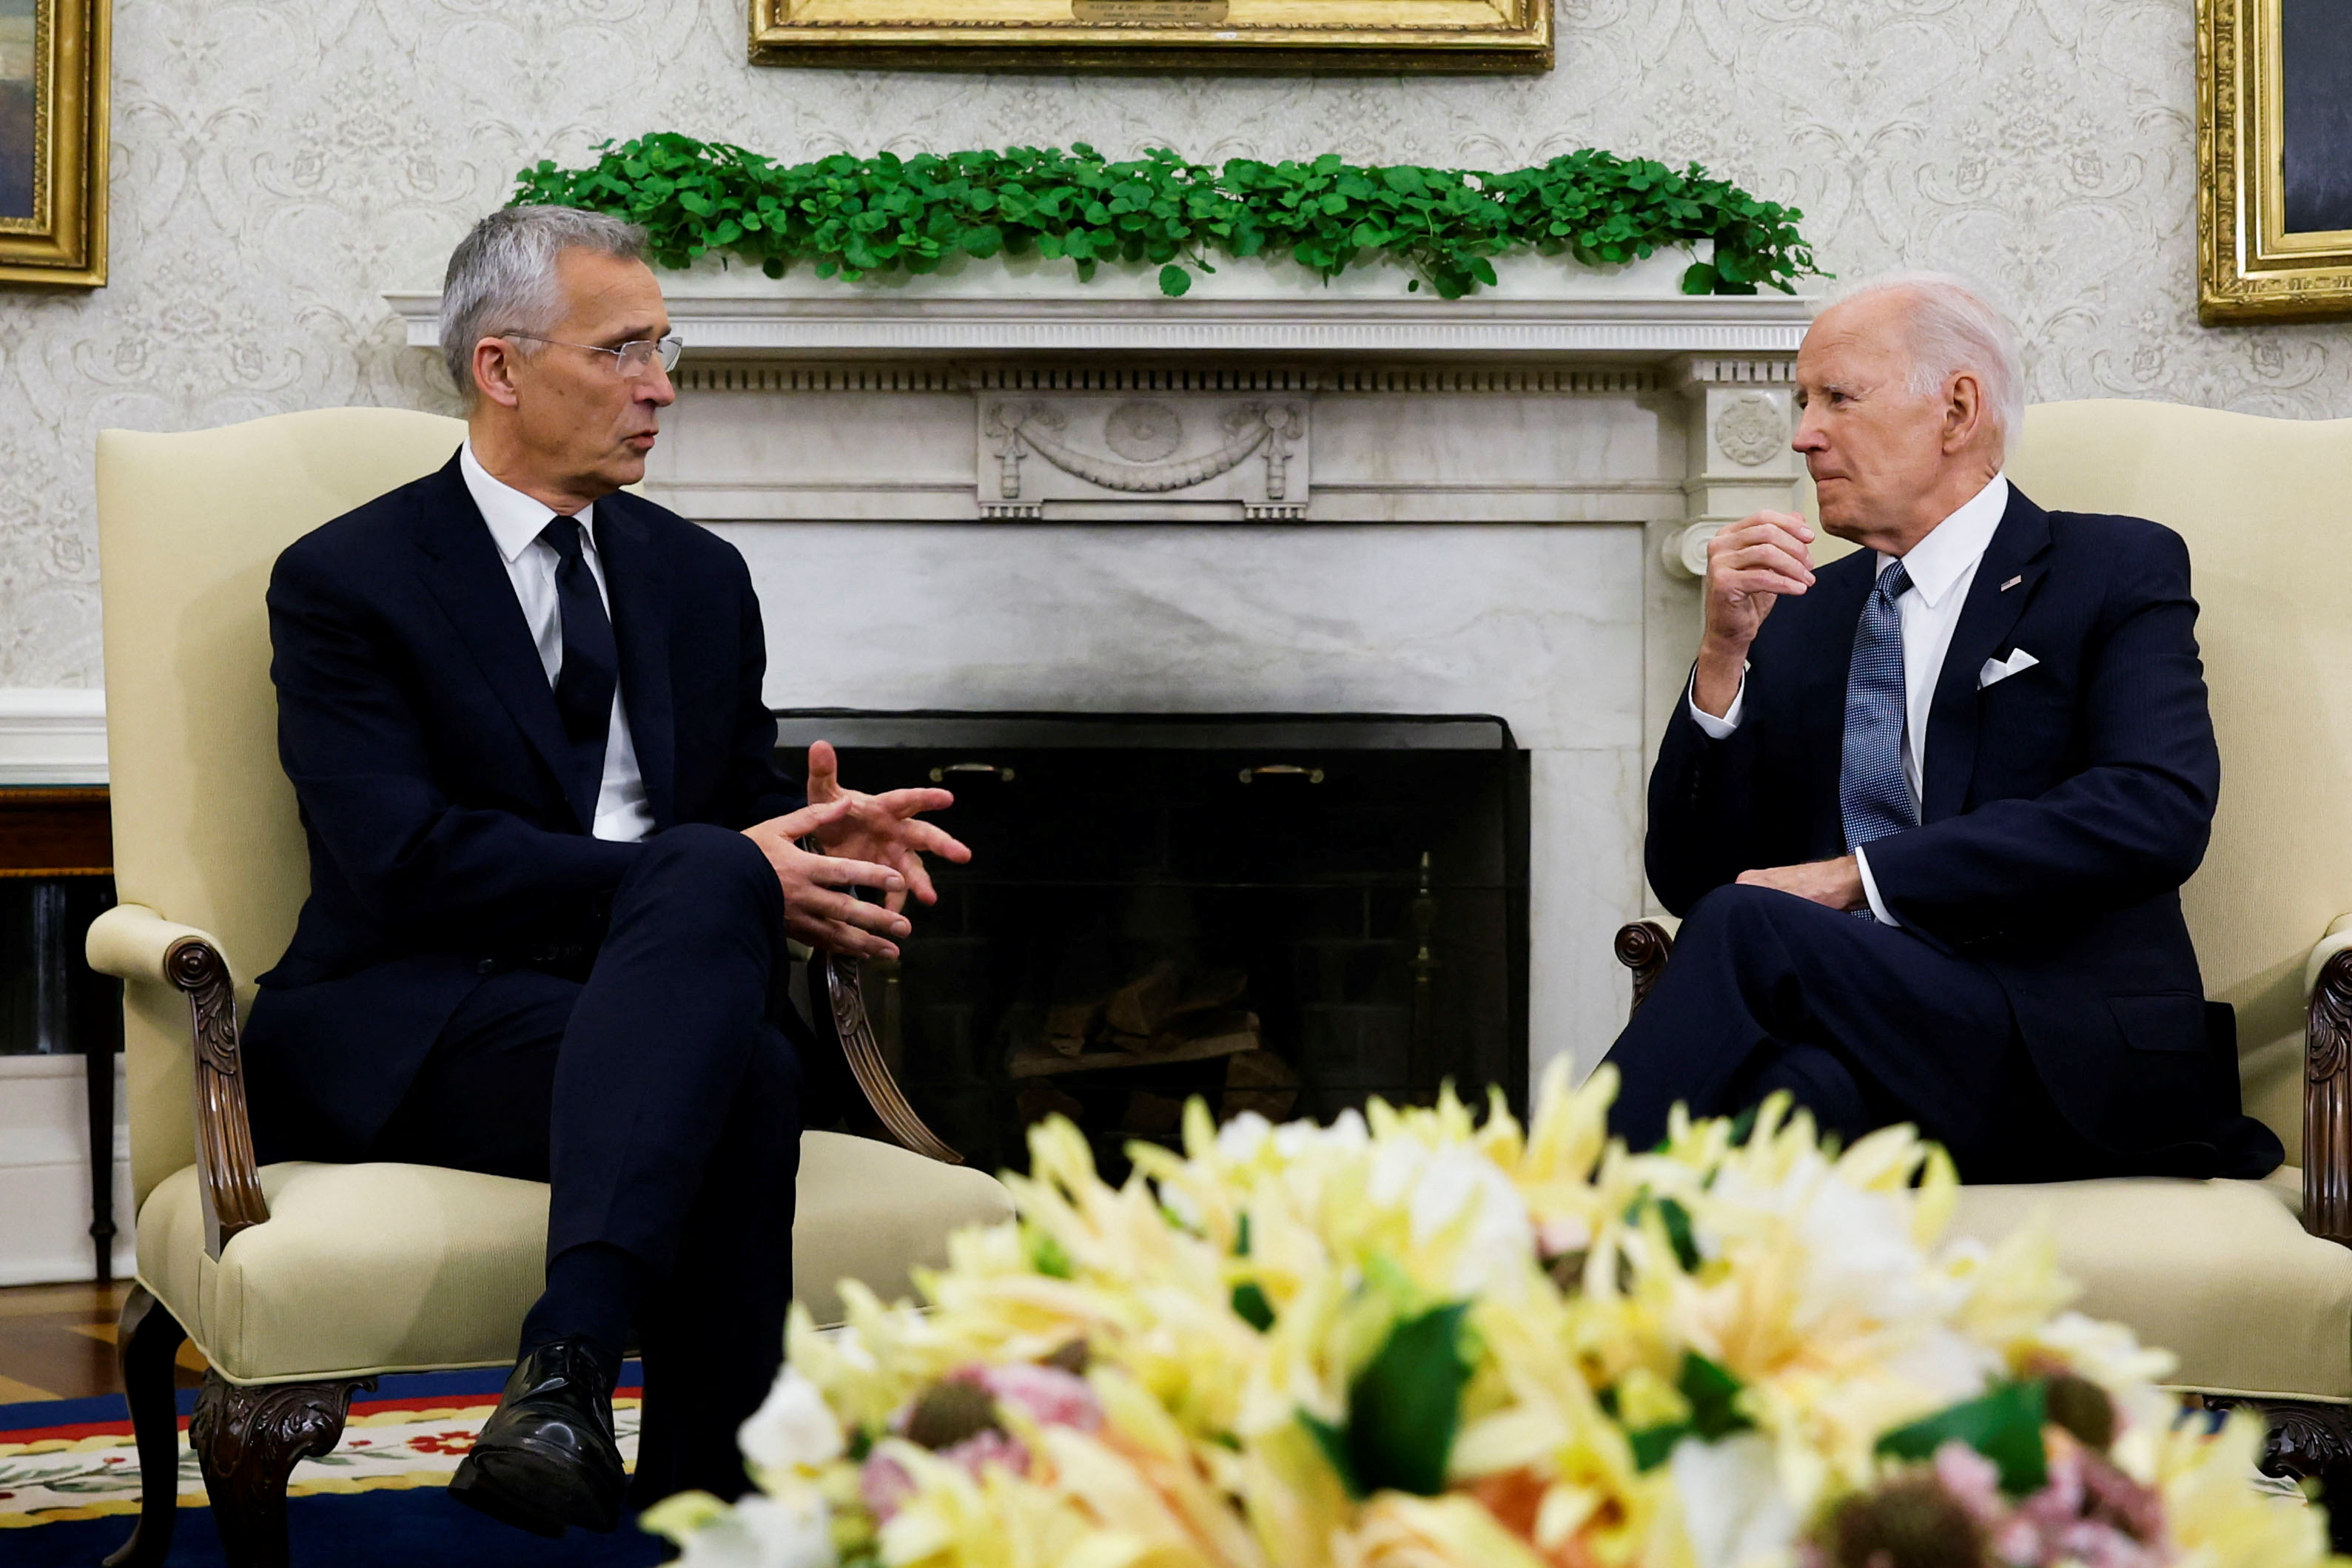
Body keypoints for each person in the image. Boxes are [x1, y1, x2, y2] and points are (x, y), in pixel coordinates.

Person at [241, 204, 970, 1537]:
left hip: (648, 1000)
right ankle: (709, 1511)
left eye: (665, 347)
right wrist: (709, 873)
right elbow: (395, 858)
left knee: (740, 1052)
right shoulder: (348, 579)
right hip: (428, 1015)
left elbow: (736, 805)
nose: (661, 386)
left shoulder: (697, 575)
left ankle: (570, 1375)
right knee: (730, 1032)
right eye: (624, 350)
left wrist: (821, 840)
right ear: (501, 368)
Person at [1600, 272, 2281, 1185]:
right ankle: (1600, 1299)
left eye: (1837, 397)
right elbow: (1692, 879)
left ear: (1956, 409)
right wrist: (1722, 659)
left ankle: (1521, 1224)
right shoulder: (1800, 611)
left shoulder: (2111, 566)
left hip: (2061, 1047)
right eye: (1803, 401)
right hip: (1874, 1048)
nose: (1803, 433)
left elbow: (2152, 810)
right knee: (1784, 1103)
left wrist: (1859, 878)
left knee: (1746, 935)